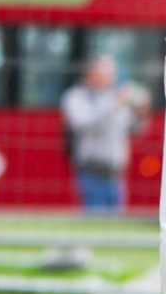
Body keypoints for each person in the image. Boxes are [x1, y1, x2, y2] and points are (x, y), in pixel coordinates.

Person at [60, 55, 150, 213]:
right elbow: (82, 123)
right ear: (91, 74)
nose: (112, 78)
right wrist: (114, 103)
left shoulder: (115, 98)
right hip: (91, 172)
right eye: (106, 73)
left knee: (116, 226)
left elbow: (135, 129)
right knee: (95, 223)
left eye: (112, 73)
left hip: (115, 175)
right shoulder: (77, 97)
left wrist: (141, 112)